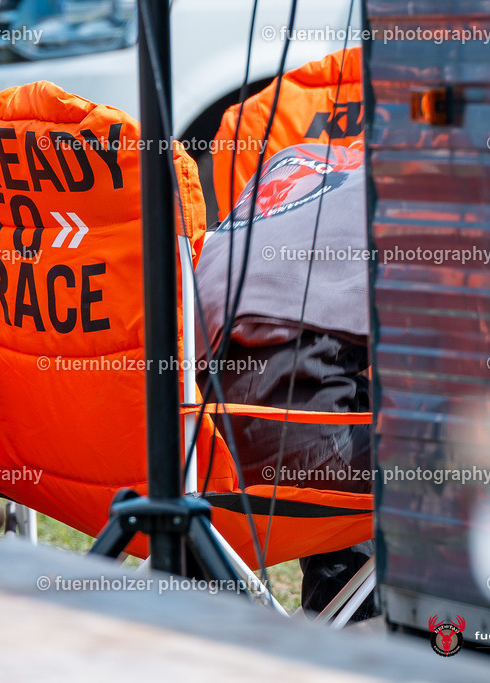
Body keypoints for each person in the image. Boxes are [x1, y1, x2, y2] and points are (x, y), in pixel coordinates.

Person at [195, 141, 378, 620]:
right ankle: (365, 628)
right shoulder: (422, 190)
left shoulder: (292, 159)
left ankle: (338, 617)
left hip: (195, 453)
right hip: (297, 452)